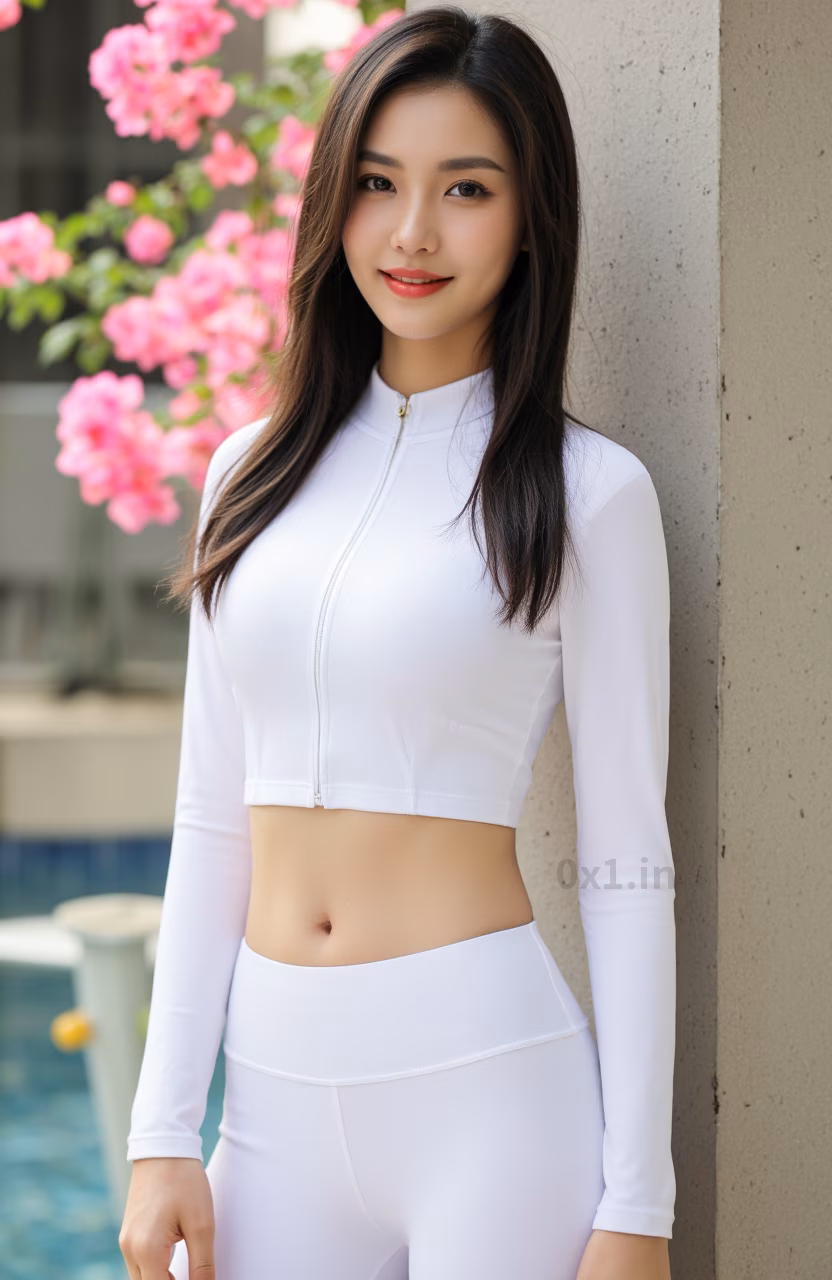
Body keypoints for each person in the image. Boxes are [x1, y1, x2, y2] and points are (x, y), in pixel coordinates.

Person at [119, 8, 677, 1279]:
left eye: (464, 189)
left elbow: (625, 862)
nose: (412, 232)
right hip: (269, 1105)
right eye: (376, 184)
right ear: (333, 202)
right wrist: (162, 1129)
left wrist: (637, 1205)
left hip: (486, 1091)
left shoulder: (588, 494)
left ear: (530, 217)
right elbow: (212, 815)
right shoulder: (245, 476)